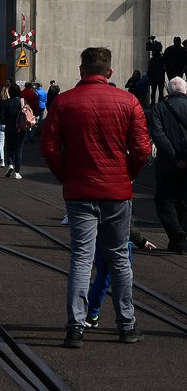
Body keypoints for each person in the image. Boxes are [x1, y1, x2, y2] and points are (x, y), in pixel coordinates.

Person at [41, 46, 152, 347]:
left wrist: (66, 175)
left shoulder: (64, 102)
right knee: (118, 258)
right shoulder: (129, 101)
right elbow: (142, 147)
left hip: (80, 191)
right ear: (110, 73)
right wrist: (127, 174)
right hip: (116, 192)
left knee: (81, 258)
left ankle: (75, 327)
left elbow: (49, 145)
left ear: (81, 71)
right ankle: (126, 325)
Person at [146, 76, 187, 253]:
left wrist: (174, 157)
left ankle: (176, 232)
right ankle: (181, 242)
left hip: (167, 165)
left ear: (168, 91)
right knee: (184, 201)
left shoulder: (159, 108)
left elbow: (158, 135)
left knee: (163, 200)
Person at [0, 84, 29, 179]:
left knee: (9, 148)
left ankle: (10, 165)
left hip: (9, 128)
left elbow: (1, 117)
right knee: (18, 149)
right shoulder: (22, 102)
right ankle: (17, 172)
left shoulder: (5, 103)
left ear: (10, 92)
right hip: (21, 128)